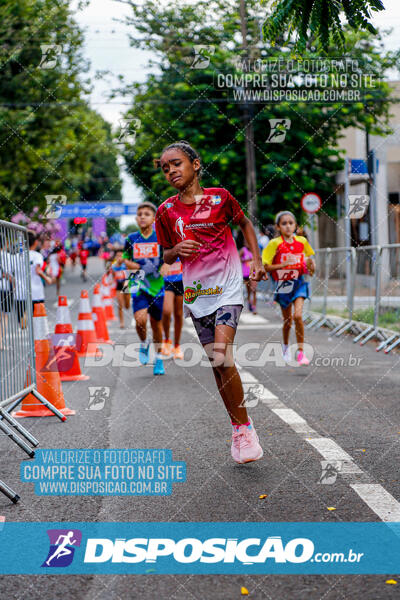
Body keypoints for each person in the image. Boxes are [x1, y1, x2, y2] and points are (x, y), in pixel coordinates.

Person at [154, 140, 266, 464]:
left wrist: (256, 260)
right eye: (165, 168)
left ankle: (245, 427)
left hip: (228, 287)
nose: (171, 171)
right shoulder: (165, 211)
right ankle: (237, 427)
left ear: (196, 164)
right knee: (218, 365)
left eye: (176, 163)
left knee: (222, 354)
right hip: (197, 293)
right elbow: (165, 253)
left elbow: (244, 223)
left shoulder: (221, 198)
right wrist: (176, 252)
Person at [262, 210, 315, 366]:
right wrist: (283, 265)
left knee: (298, 316)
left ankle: (300, 352)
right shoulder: (274, 244)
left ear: (296, 226)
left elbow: (311, 266)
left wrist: (312, 267)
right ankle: (285, 347)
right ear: (278, 227)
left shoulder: (302, 242)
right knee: (288, 321)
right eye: (284, 223)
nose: (288, 226)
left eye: (291, 223)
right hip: (283, 284)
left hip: (299, 282)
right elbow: (266, 267)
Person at [123, 202, 169, 376]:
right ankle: (144, 344)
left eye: (146, 214)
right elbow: (125, 258)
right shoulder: (131, 238)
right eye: (140, 214)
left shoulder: (161, 238)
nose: (142, 216)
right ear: (136, 218)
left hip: (157, 285)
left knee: (156, 325)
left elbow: (169, 255)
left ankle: (158, 358)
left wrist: (166, 264)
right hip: (136, 282)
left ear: (154, 218)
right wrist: (132, 265)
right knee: (139, 320)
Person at [161, 258, 184, 359]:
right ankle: (166, 341)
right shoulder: (162, 243)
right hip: (166, 280)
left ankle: (177, 346)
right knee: (166, 311)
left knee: (178, 314)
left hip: (181, 280)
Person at [28, 231, 52, 308]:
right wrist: (47, 278)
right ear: (35, 242)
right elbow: (38, 270)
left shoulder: (18, 255)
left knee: (24, 316)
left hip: (20, 294)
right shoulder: (37, 255)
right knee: (37, 316)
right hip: (36, 292)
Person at [111, 249, 130, 329]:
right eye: (117, 256)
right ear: (115, 257)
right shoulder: (113, 266)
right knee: (120, 305)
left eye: (121, 256)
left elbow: (130, 276)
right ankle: (121, 322)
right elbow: (113, 277)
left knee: (127, 306)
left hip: (126, 285)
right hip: (118, 286)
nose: (119, 258)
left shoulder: (126, 265)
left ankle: (127, 303)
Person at [239, 241, 258, 314]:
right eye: (246, 243)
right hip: (246, 273)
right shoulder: (243, 250)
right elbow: (238, 258)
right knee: (249, 291)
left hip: (253, 273)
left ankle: (254, 307)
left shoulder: (254, 249)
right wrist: (245, 260)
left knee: (254, 289)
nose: (248, 245)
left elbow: (258, 259)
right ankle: (249, 303)